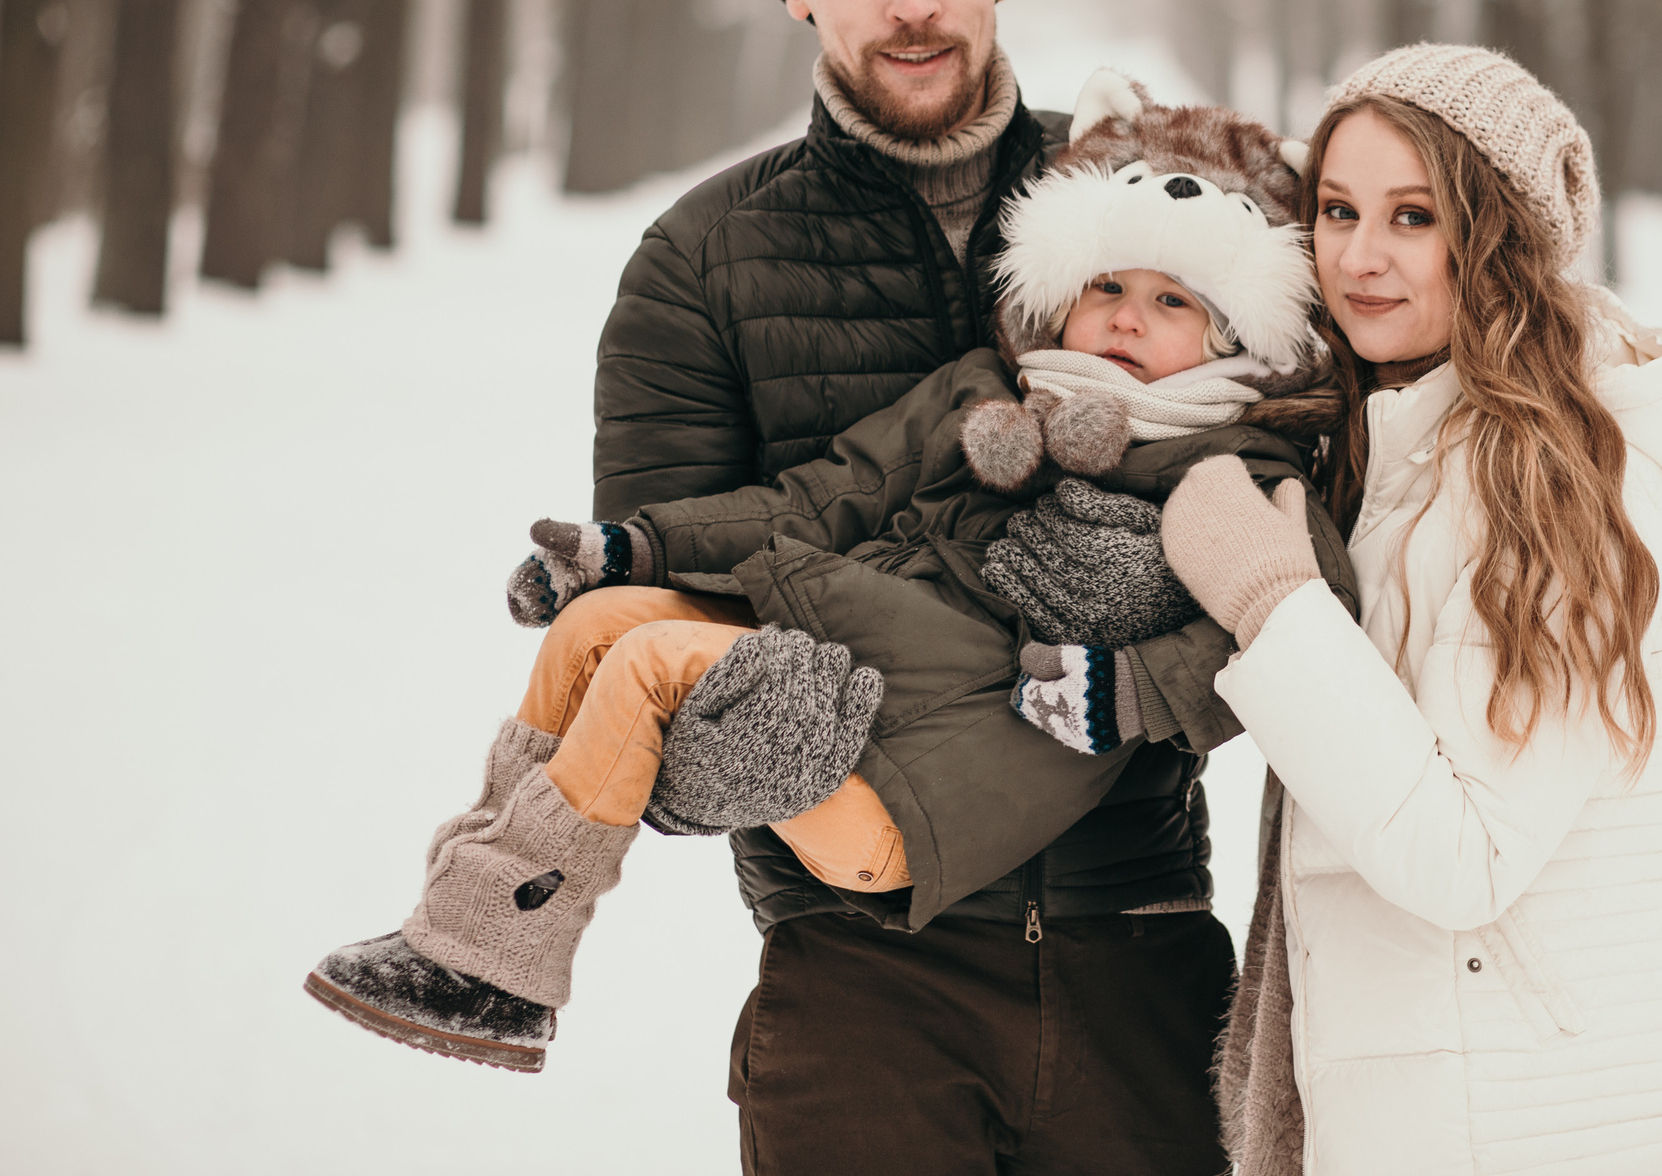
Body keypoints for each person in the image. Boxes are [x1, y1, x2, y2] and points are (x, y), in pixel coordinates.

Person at [475, 0, 1290, 1172]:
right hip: (857, 967)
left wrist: (1149, 620)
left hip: (1143, 947)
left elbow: (1305, 529)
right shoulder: (701, 261)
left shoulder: (1153, 214)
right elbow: (674, 607)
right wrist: (711, 761)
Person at [304, 75, 1346, 1083]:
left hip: (921, 801)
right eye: (1106, 287)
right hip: (864, 688)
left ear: (1235, 335)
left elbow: (1302, 637)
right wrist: (634, 548)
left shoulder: (1231, 468)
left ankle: (504, 973)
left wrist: (1134, 688)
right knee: (604, 625)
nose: (1125, 318)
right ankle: (459, 929)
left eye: (1172, 301)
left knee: (656, 661)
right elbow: (815, 501)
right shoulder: (984, 394)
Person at [1156, 45, 1662, 1175]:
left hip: (1565, 1128)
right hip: (1472, 1110)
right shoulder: (1402, 451)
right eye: (1338, 210)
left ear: (1495, 236)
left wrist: (1275, 602)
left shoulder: (1562, 492)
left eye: (1414, 217)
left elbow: (1464, 854)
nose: (1359, 257)